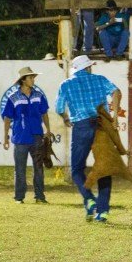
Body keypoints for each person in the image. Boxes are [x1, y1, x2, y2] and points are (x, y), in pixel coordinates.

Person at [55, 54, 123, 223]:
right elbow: (116, 91)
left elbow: (58, 107)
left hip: (82, 126)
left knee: (77, 169)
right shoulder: (99, 79)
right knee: (104, 167)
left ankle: (89, 198)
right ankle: (103, 211)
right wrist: (114, 116)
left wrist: (65, 118)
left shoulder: (66, 84)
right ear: (88, 67)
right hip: (102, 125)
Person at [1, 66, 51, 204]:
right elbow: (7, 118)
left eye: (33, 77)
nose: (33, 80)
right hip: (20, 137)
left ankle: (40, 197)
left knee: (39, 168)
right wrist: (5, 136)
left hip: (37, 135)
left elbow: (44, 113)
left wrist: (48, 130)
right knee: (20, 169)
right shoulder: (13, 97)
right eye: (30, 77)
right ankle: (19, 197)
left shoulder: (38, 96)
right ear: (23, 80)